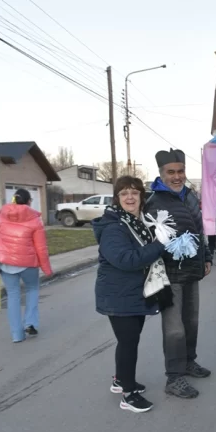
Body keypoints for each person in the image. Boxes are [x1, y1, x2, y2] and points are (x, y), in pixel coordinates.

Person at [92, 176, 167, 413]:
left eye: (135, 192)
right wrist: (159, 245)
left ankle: (120, 380)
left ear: (142, 197)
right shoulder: (113, 228)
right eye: (124, 193)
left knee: (128, 340)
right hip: (118, 295)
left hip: (134, 292)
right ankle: (129, 395)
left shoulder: (136, 223)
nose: (130, 197)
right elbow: (127, 260)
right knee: (129, 343)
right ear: (117, 198)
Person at [146, 148, 212, 399]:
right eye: (171, 172)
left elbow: (199, 229)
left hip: (192, 272)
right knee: (174, 328)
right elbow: (150, 240)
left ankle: (188, 362)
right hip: (169, 275)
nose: (177, 176)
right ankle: (173, 377)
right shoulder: (154, 202)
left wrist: (205, 256)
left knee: (191, 322)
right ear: (161, 174)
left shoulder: (190, 196)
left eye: (180, 171)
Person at [0, 188, 52, 343]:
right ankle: (30, 323)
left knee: (13, 296)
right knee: (32, 289)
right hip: (28, 263)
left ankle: (17, 334)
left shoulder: (0, 214)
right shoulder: (35, 219)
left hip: (6, 262)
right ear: (29, 201)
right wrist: (47, 269)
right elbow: (41, 248)